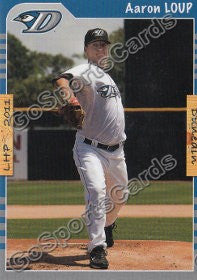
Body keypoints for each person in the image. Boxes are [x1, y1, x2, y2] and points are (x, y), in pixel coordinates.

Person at [53, 28, 129, 269]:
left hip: (116, 152)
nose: (101, 48)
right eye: (95, 45)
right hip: (90, 148)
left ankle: (107, 225)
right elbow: (62, 79)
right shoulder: (85, 70)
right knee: (96, 191)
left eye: (104, 45)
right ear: (86, 49)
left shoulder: (107, 76)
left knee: (120, 197)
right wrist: (70, 98)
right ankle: (97, 248)